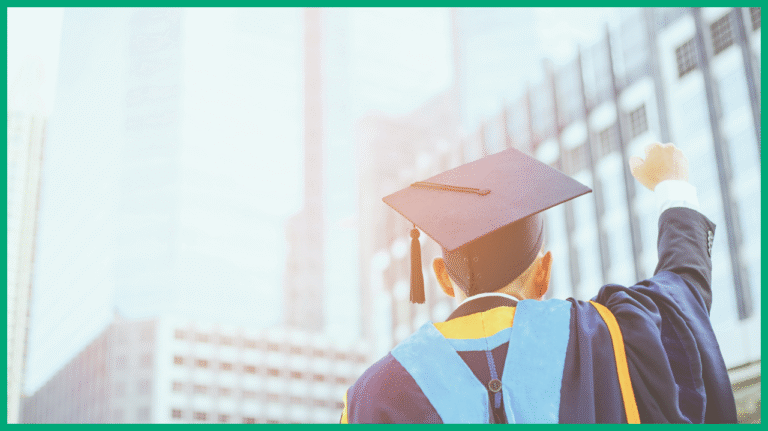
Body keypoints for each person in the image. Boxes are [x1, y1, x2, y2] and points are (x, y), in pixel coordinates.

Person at [339, 143, 737, 423]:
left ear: (442, 277)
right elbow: (682, 289)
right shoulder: (611, 335)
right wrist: (673, 186)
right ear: (543, 272)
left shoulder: (369, 398)